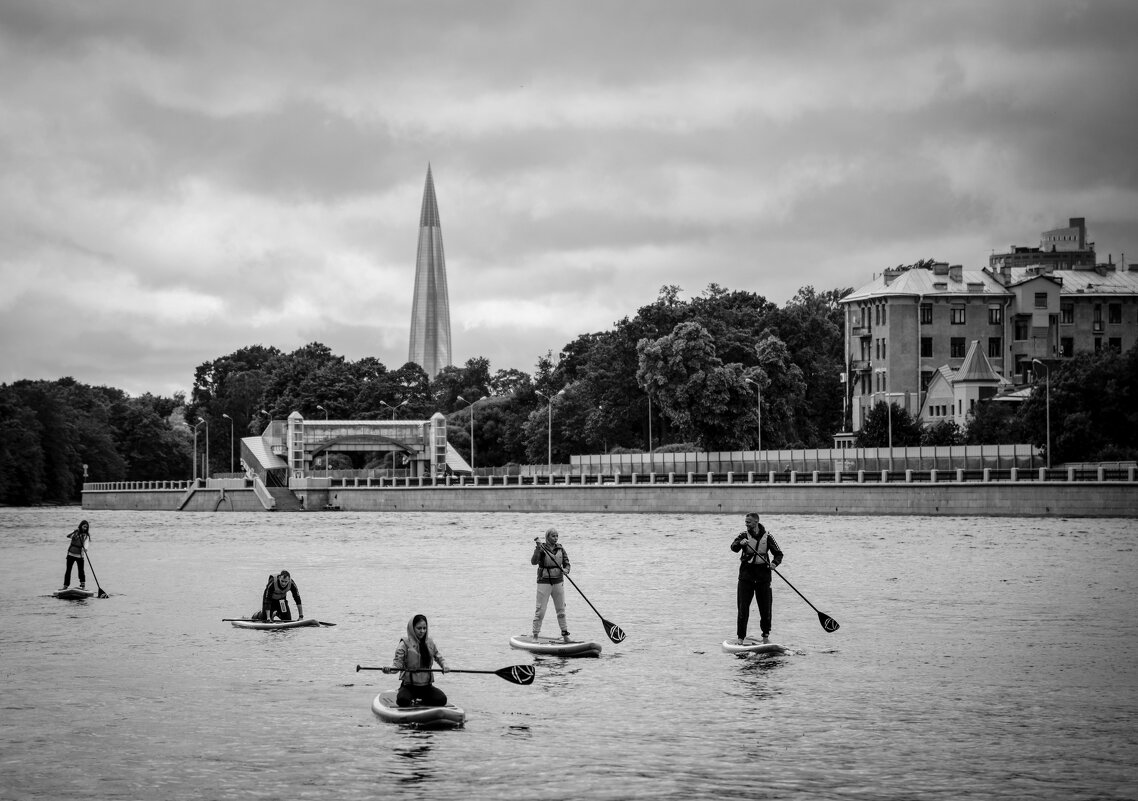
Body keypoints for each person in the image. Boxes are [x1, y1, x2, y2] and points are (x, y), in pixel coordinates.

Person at [729, 512, 783, 643]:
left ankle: (765, 636)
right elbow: (733, 547)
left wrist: (774, 563)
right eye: (746, 522)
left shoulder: (768, 536)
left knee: (766, 609)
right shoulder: (743, 535)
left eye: (748, 522)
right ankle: (740, 638)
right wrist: (741, 544)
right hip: (746, 577)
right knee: (743, 609)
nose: (746, 524)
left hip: (763, 577)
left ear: (756, 522)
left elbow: (779, 554)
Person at [393, 614, 449, 706]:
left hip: (426, 687)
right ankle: (409, 698)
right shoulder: (404, 644)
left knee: (442, 699)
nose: (422, 631)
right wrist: (389, 670)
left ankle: (420, 701)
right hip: (409, 686)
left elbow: (439, 657)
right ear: (412, 629)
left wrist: (444, 665)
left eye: (424, 628)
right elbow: (397, 665)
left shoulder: (430, 643)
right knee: (402, 700)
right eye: (419, 628)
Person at [531, 527, 571, 641]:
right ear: (547, 537)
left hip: (558, 581)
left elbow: (567, 564)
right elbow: (534, 562)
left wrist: (566, 570)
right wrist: (538, 549)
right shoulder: (542, 548)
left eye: (557, 536)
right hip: (544, 582)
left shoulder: (561, 549)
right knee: (540, 610)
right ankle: (535, 635)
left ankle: (565, 635)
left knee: (561, 610)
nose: (555, 538)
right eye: (553, 536)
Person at [61, 520, 91, 590]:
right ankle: (65, 585)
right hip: (70, 554)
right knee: (68, 570)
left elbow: (86, 544)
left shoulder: (86, 536)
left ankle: (83, 585)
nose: (85, 528)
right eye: (84, 526)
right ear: (81, 526)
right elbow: (67, 535)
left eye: (86, 527)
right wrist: (74, 531)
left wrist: (85, 549)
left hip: (80, 556)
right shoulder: (75, 533)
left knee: (81, 571)